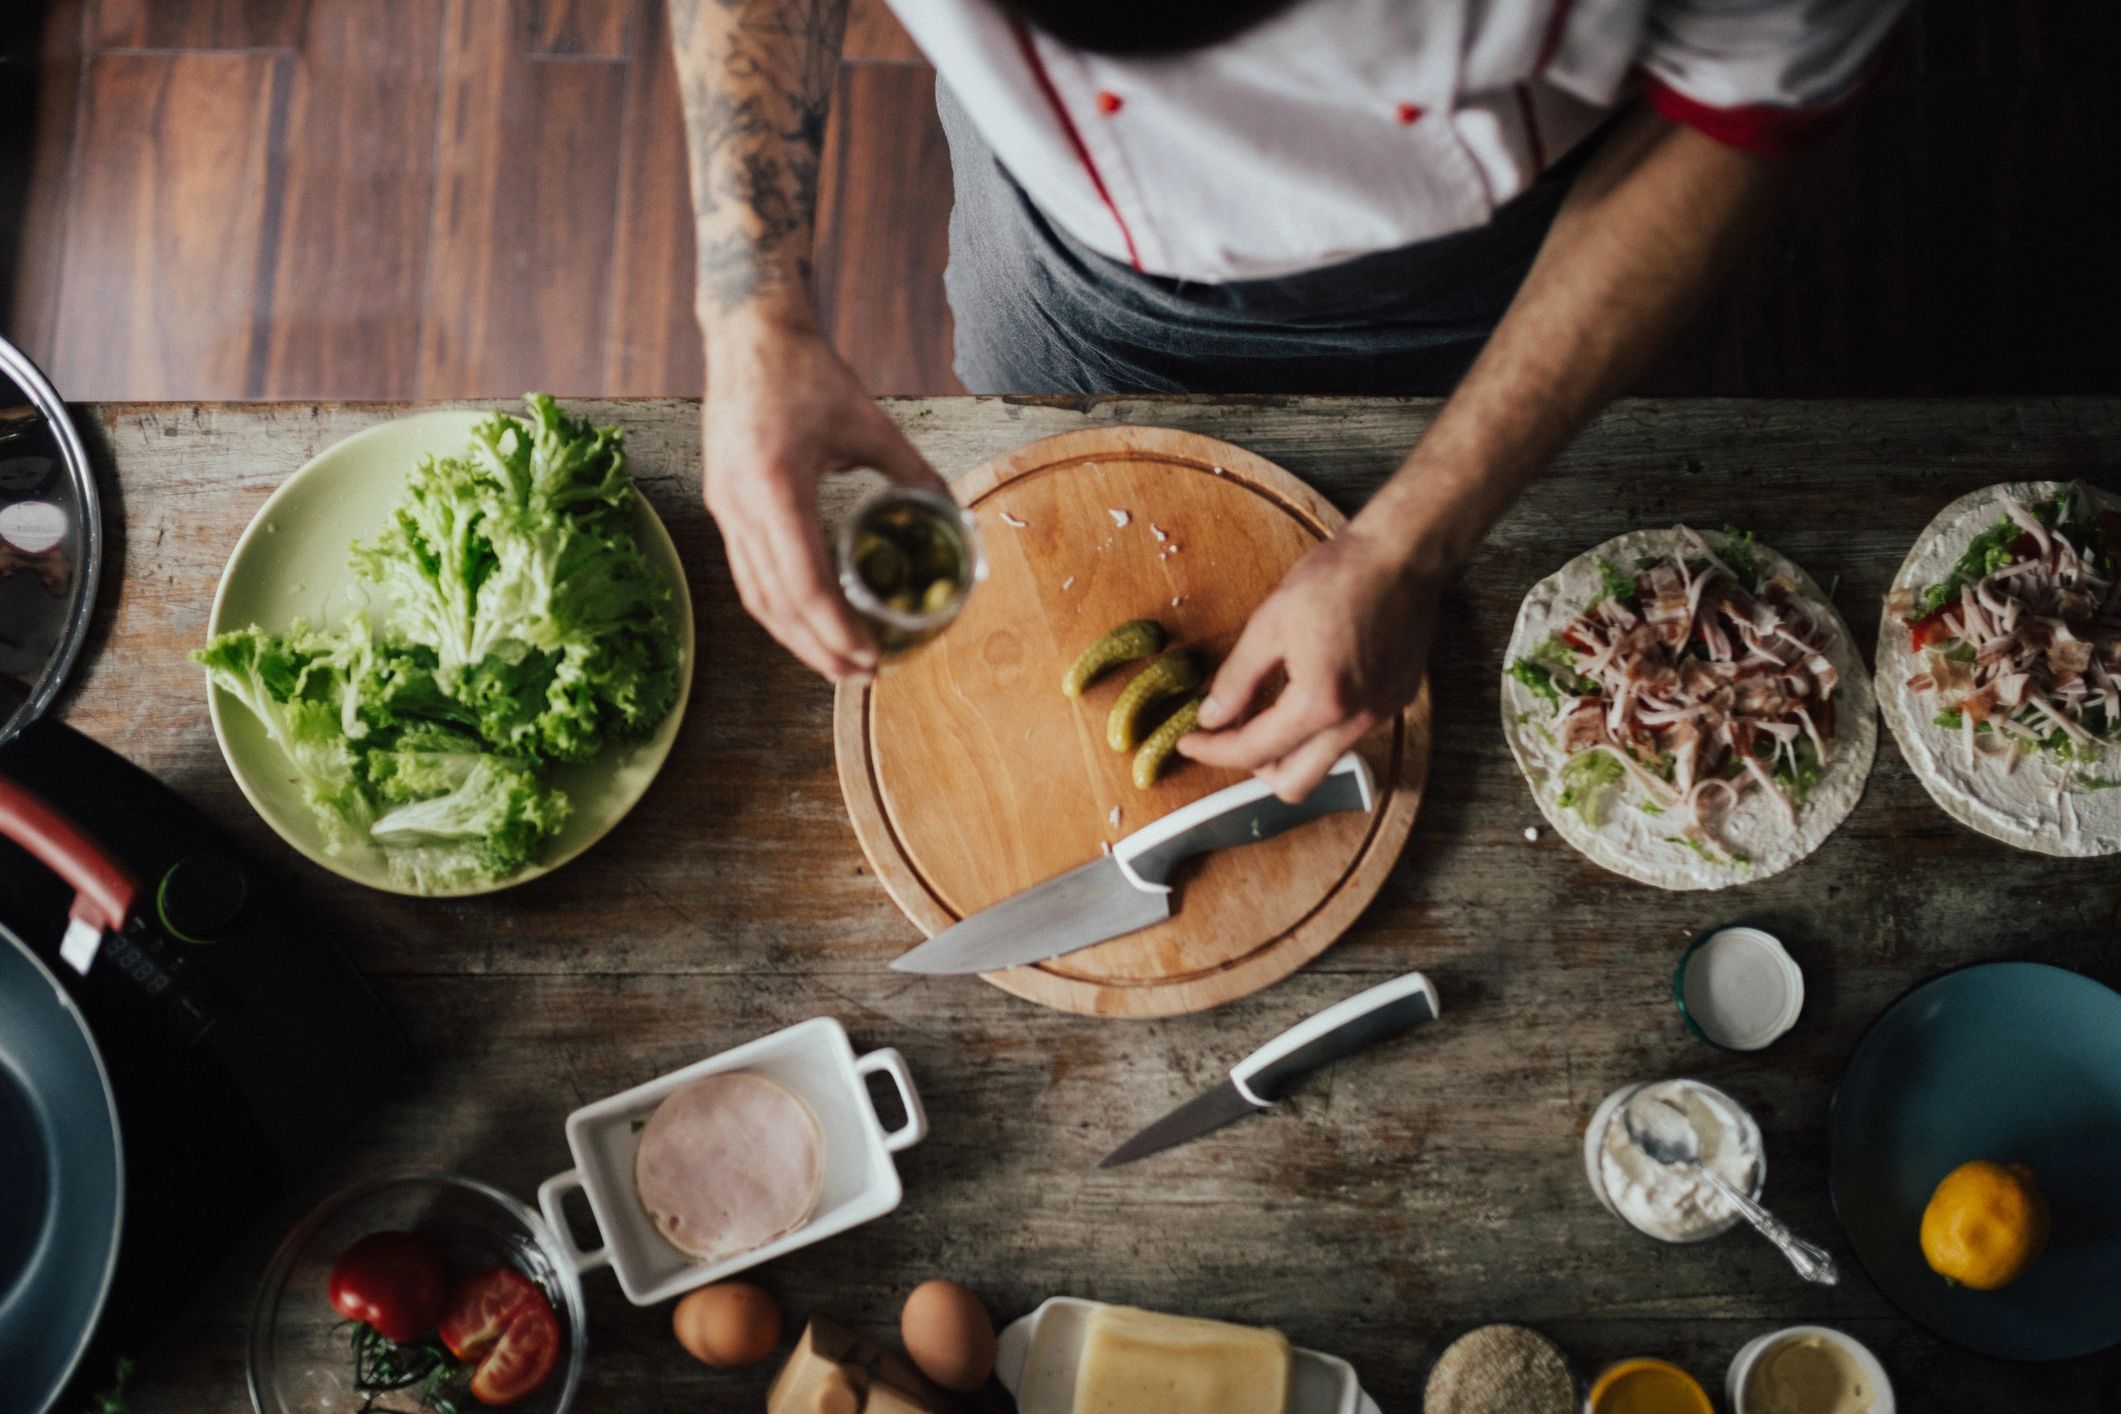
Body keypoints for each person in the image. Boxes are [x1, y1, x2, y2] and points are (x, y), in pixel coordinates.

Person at [670, 0, 1903, 800]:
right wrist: (751, 308)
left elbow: (1741, 105)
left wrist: (1416, 542)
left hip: (1503, 270)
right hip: (1064, 259)